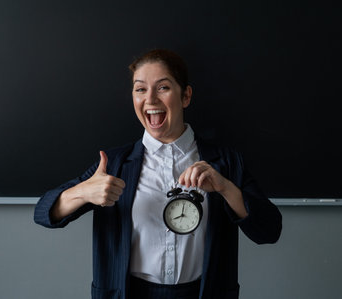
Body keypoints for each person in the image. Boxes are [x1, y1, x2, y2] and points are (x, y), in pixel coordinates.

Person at [34, 49, 282, 299]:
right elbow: (43, 213)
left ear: (185, 96)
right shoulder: (114, 164)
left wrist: (226, 188)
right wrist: (83, 192)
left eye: (162, 87)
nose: (150, 99)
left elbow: (269, 231)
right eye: (140, 89)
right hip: (128, 293)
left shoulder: (225, 162)